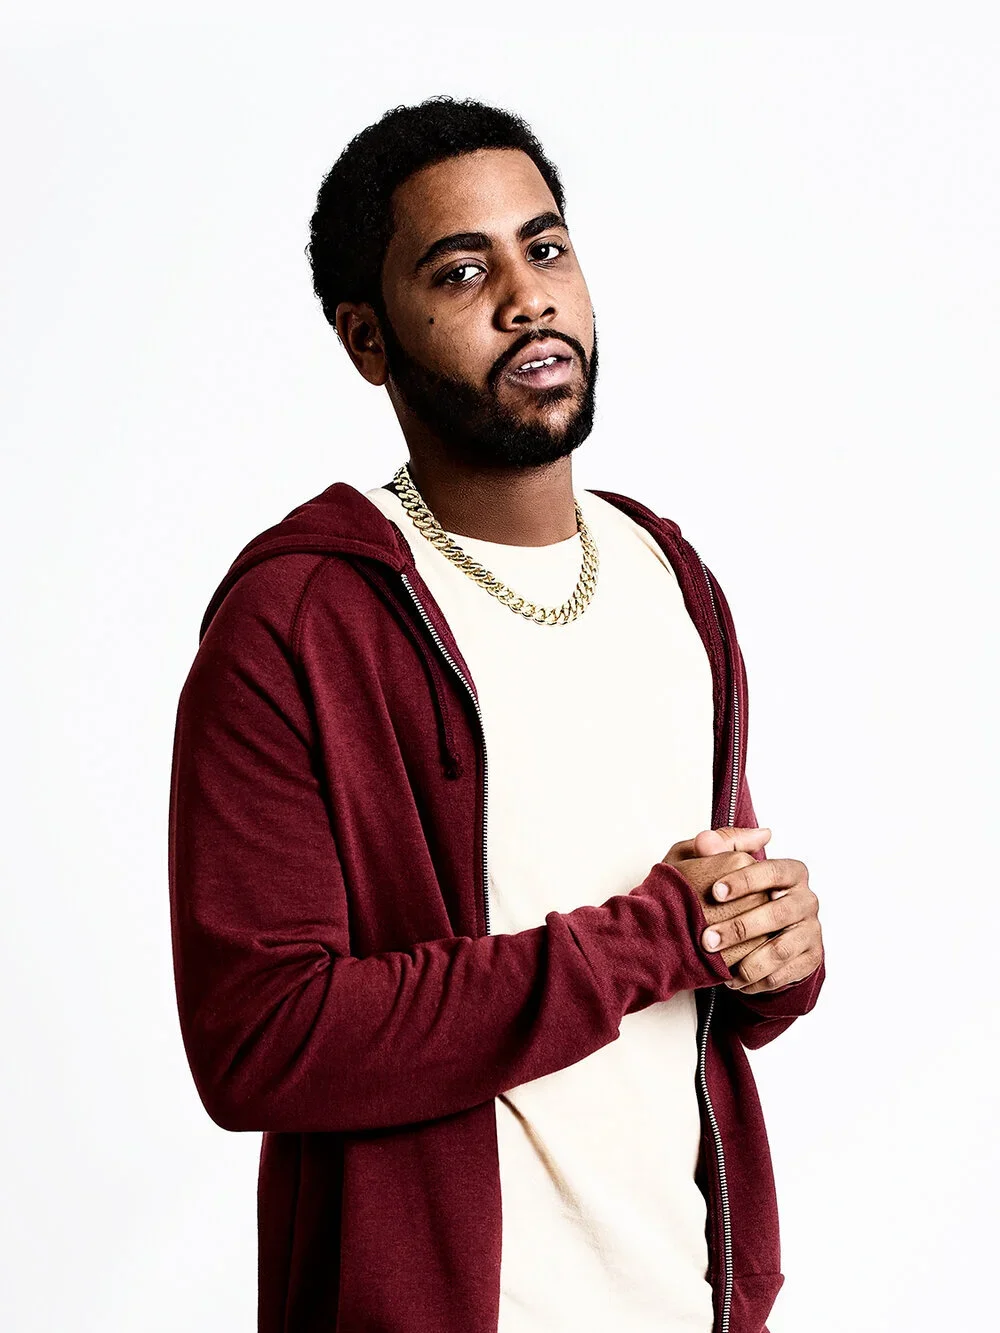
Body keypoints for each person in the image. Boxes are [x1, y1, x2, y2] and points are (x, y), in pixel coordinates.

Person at [167, 95, 826, 1333]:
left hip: (688, 1299)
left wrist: (771, 953)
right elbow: (260, 1036)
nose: (526, 298)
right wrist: (651, 937)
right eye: (461, 270)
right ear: (368, 340)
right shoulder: (299, 620)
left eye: (546, 247)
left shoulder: (670, 577)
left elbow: (699, 950)